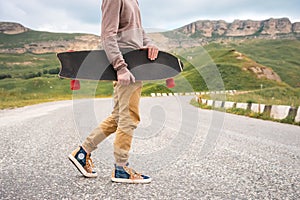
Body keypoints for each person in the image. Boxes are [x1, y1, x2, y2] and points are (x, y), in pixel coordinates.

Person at [68, 0, 158, 184]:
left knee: (118, 117)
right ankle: (121, 168)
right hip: (127, 67)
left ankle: (82, 152)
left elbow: (138, 32)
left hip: (135, 64)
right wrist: (120, 67)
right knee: (129, 117)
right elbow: (107, 35)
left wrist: (150, 44)